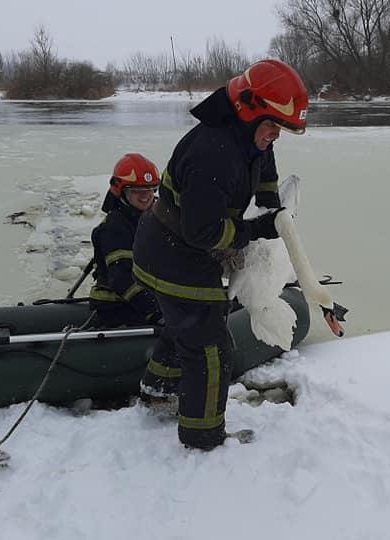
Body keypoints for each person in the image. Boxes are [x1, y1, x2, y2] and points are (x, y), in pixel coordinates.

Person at [132, 59, 308, 450]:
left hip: (165, 246)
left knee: (186, 326)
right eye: (272, 126)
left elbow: (264, 163)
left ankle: (159, 388)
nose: (275, 136)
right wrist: (254, 230)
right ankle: (202, 436)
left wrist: (267, 201)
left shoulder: (246, 136)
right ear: (249, 115)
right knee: (212, 348)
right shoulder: (214, 153)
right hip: (176, 254)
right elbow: (203, 232)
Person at [88, 153, 162, 329]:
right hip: (118, 308)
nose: (145, 196)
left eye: (150, 189)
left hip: (151, 298)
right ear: (121, 191)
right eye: (137, 191)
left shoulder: (156, 219)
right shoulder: (115, 228)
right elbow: (121, 278)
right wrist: (155, 312)